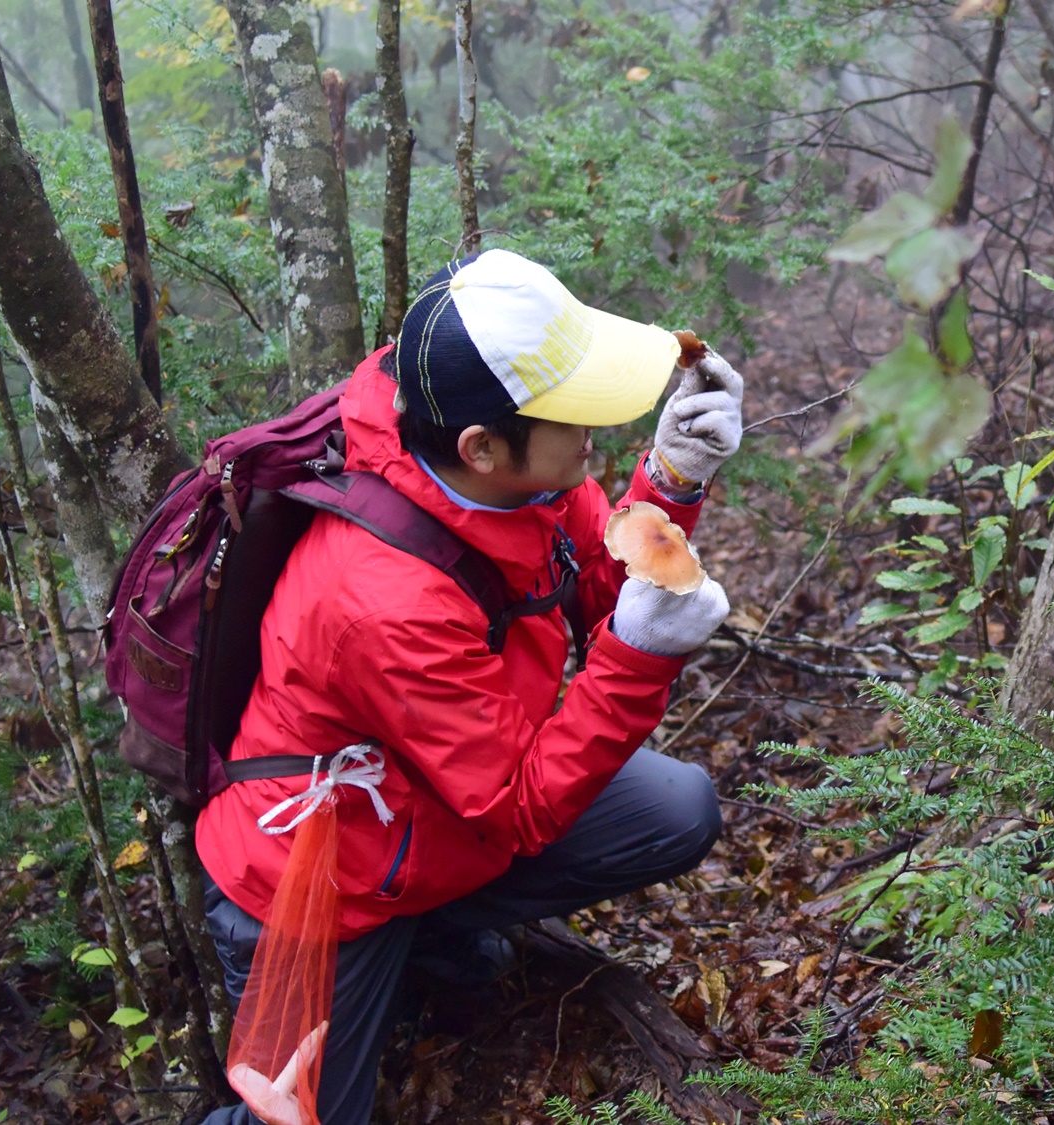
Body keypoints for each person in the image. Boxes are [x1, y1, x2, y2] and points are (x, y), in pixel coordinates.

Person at [195, 249, 742, 1125]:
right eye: (573, 414)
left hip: (439, 811)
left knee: (676, 809)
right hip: (325, 883)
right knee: (297, 1121)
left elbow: (603, 582)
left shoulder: (514, 473)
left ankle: (439, 937)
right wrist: (638, 660)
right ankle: (404, 956)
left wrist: (670, 483)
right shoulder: (380, 597)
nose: (593, 431)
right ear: (481, 448)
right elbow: (518, 803)